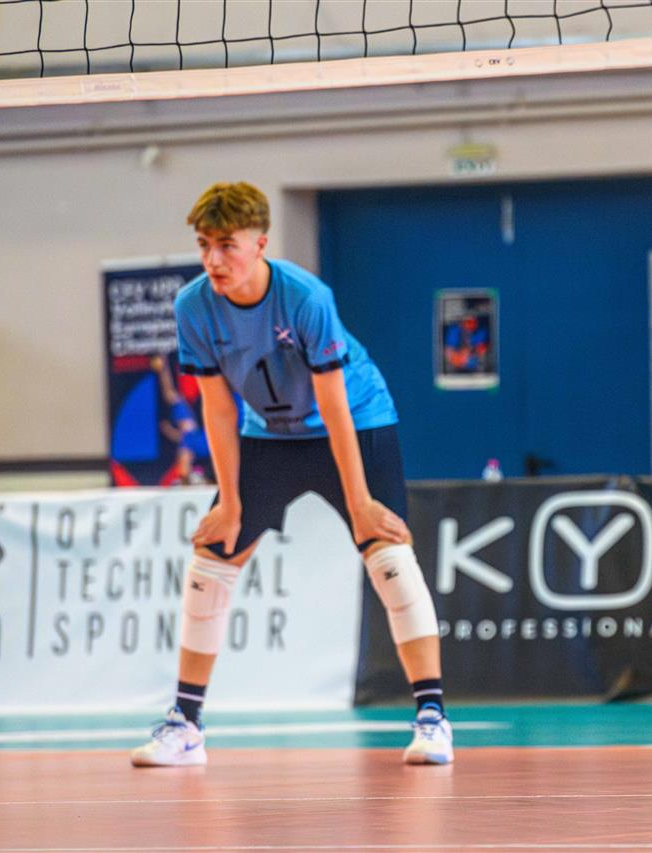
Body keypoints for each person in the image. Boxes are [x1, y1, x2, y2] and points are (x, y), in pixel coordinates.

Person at [131, 182, 452, 767]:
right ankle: (186, 726)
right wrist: (230, 504)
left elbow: (333, 404)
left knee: (388, 553)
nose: (213, 260)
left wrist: (360, 502)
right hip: (268, 433)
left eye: (227, 245)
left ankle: (432, 719)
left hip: (356, 420)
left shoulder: (306, 297)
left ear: (260, 244)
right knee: (212, 557)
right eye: (204, 245)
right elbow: (218, 408)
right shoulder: (192, 306)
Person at [150, 354, 211, 485]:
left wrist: (163, 369)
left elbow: (168, 389)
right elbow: (168, 389)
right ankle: (192, 480)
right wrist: (170, 431)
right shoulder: (181, 407)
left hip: (200, 437)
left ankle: (202, 479)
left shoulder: (187, 404)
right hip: (192, 438)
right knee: (184, 467)